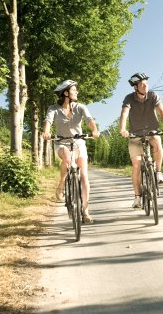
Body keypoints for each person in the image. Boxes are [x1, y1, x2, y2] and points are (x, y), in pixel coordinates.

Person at [43, 79, 100, 224]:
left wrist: (94, 130)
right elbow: (48, 121)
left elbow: (89, 119)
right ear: (66, 93)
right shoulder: (53, 108)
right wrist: (46, 132)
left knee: (84, 177)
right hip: (61, 142)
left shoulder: (80, 107)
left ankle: (85, 211)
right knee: (67, 159)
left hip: (78, 142)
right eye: (74, 90)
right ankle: (62, 184)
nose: (77, 92)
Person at [118, 72, 163, 209]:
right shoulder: (129, 98)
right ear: (135, 87)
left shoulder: (153, 96)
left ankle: (158, 173)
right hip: (135, 136)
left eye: (146, 83)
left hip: (151, 132)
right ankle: (137, 197)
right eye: (142, 84)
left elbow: (161, 112)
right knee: (136, 165)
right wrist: (123, 129)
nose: (145, 86)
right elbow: (124, 114)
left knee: (157, 142)